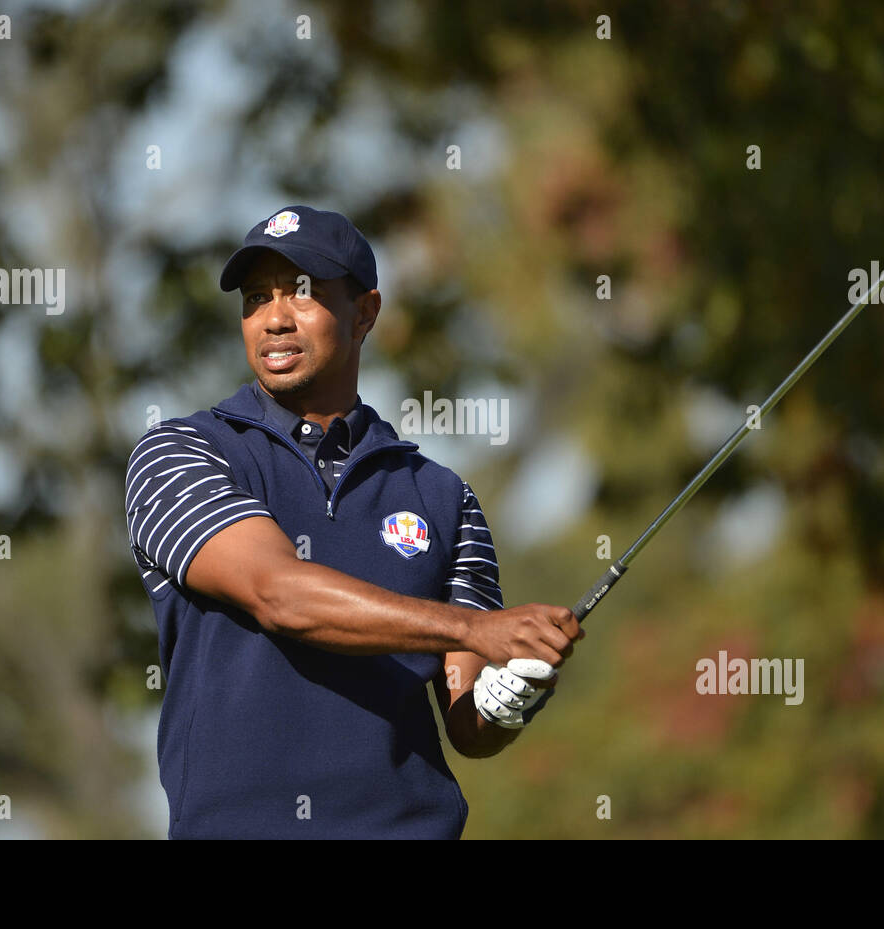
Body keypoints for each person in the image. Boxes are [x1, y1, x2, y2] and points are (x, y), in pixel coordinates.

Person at [124, 205, 584, 838]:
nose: (275, 318)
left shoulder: (443, 496)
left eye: (303, 294)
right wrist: (479, 628)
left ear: (365, 312)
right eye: (257, 300)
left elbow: (468, 722)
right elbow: (278, 593)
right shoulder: (182, 452)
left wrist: (517, 689)